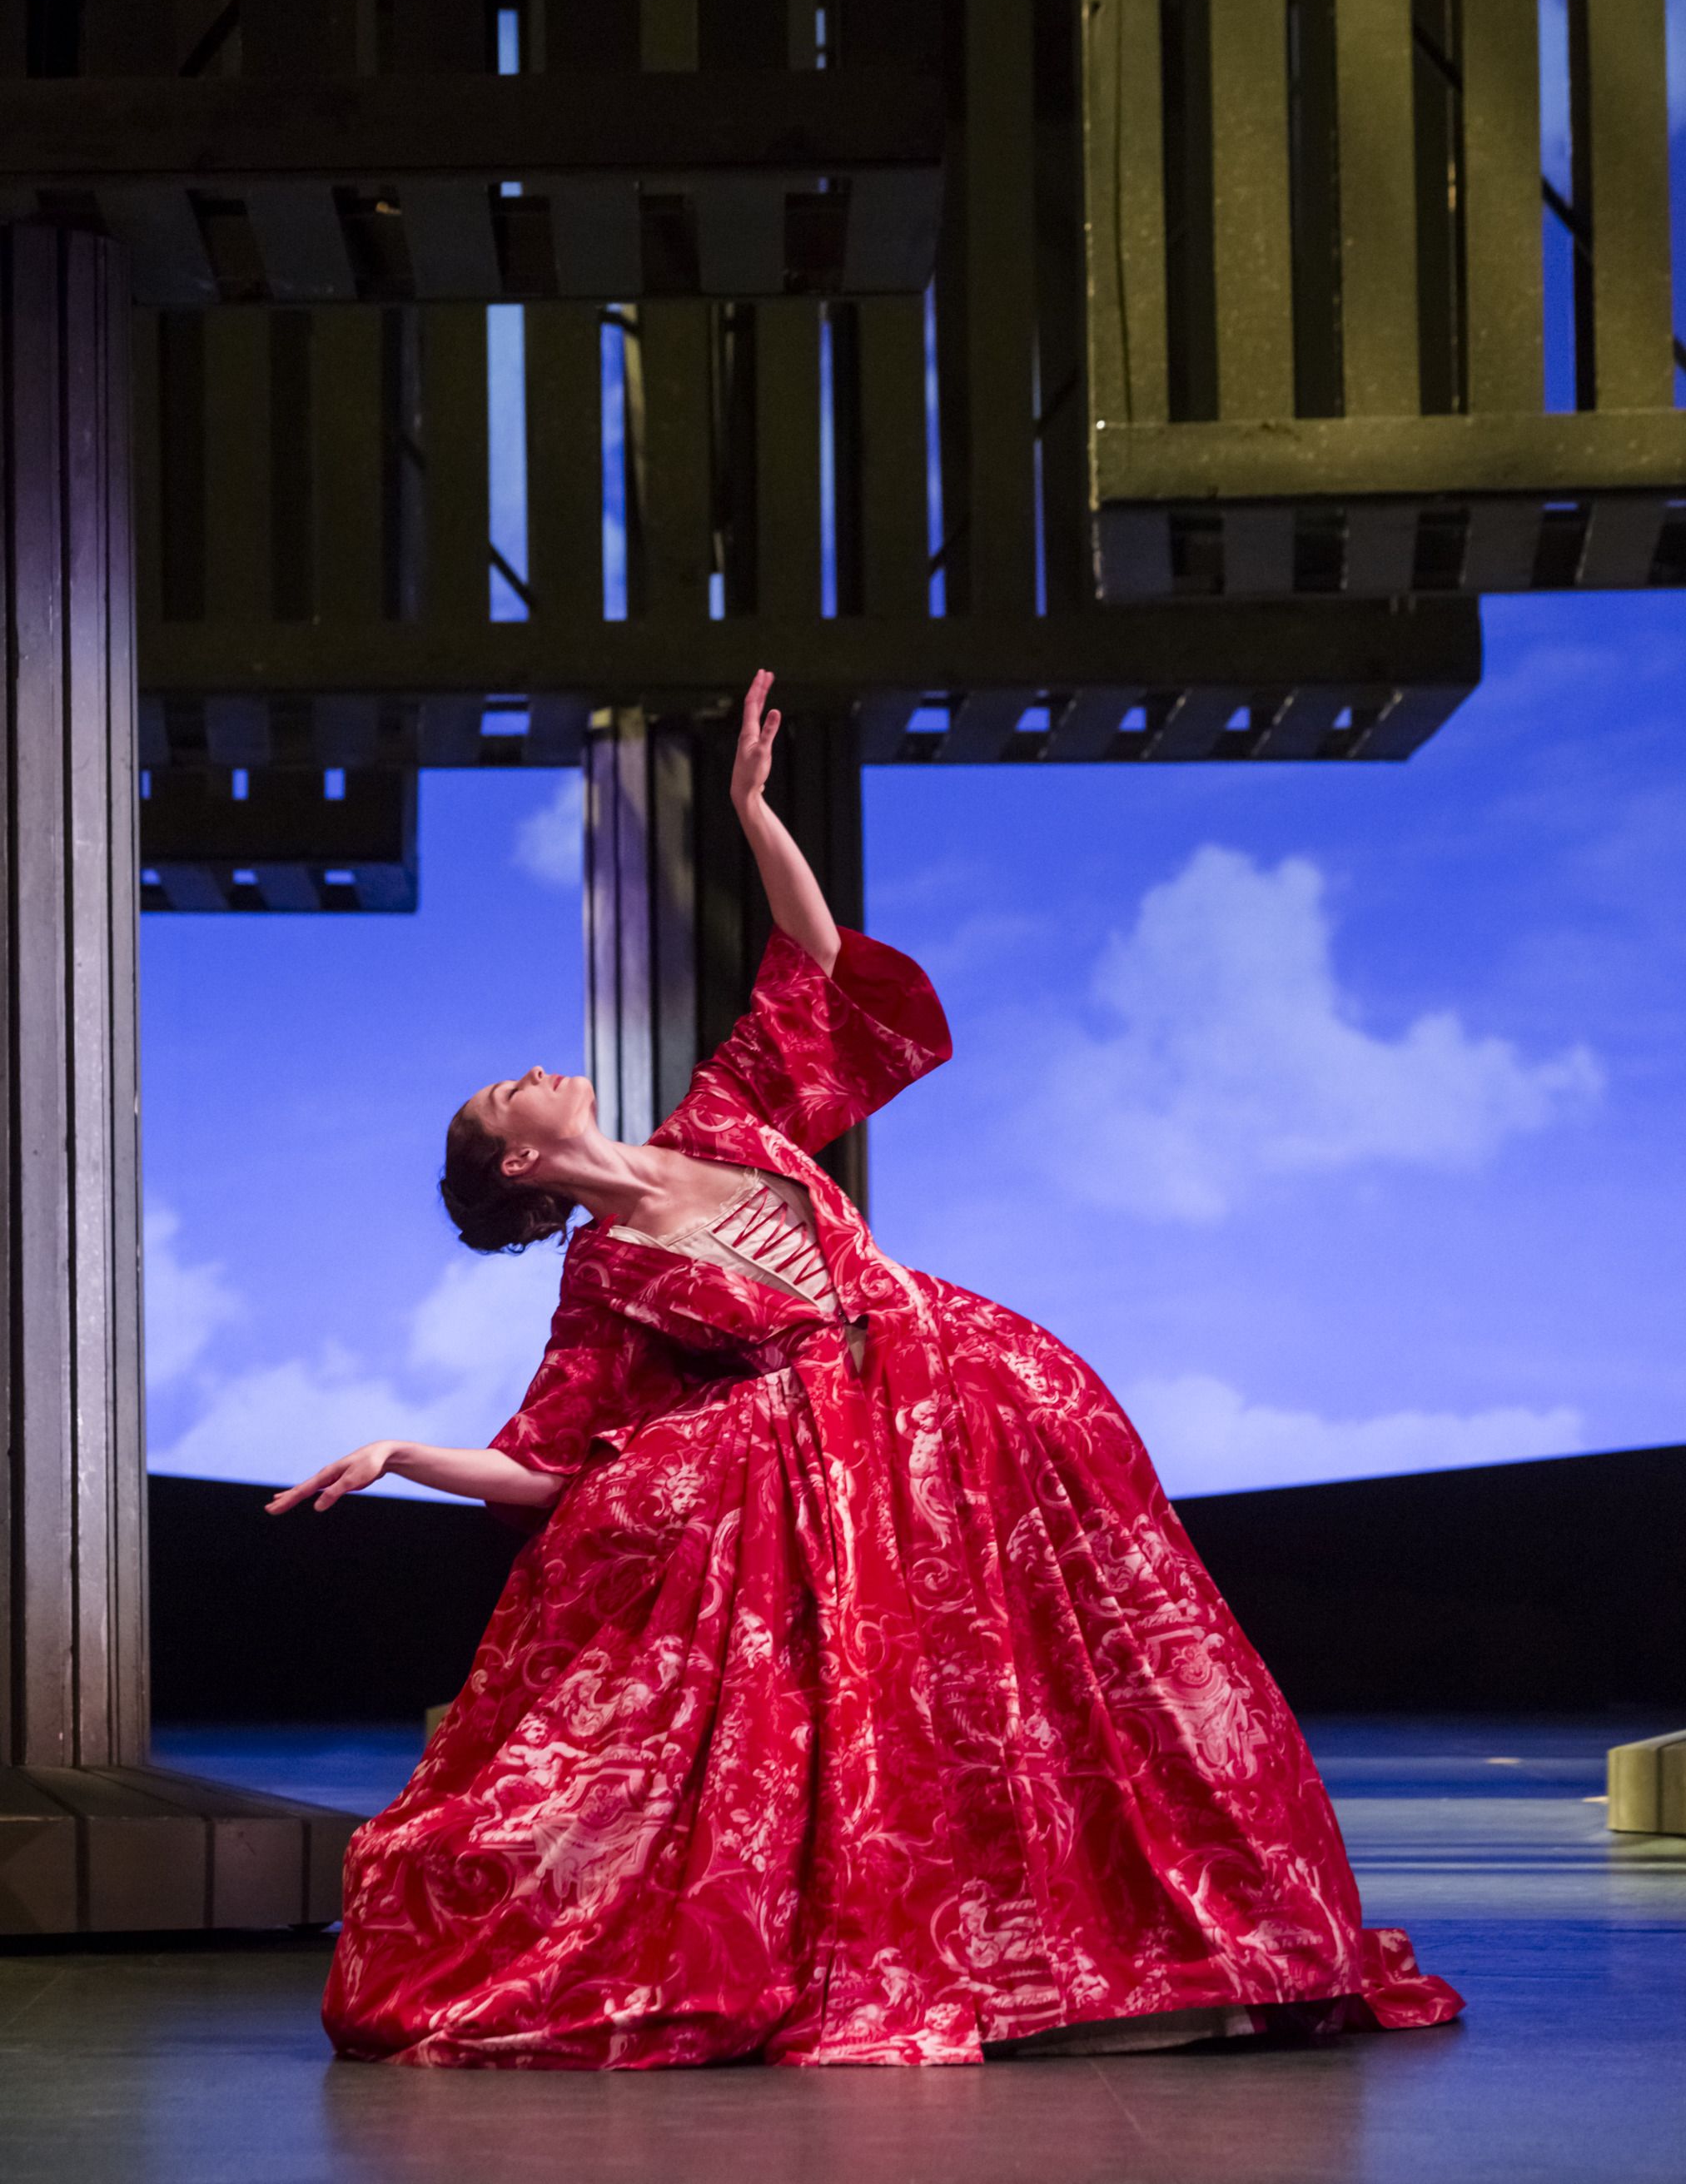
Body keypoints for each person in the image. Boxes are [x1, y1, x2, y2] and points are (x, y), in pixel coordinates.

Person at [268, 669, 1463, 2068]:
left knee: (1088, 1669)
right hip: (846, 1481)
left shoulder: (718, 1116)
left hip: (980, 1398)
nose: (528, 1067)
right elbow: (542, 1462)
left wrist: (755, 811)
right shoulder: (606, 1278)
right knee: (926, 1717)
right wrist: (402, 1451)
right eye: (498, 1095)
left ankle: (1187, 1946)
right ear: (520, 1162)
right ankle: (1021, 1971)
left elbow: (815, 963)